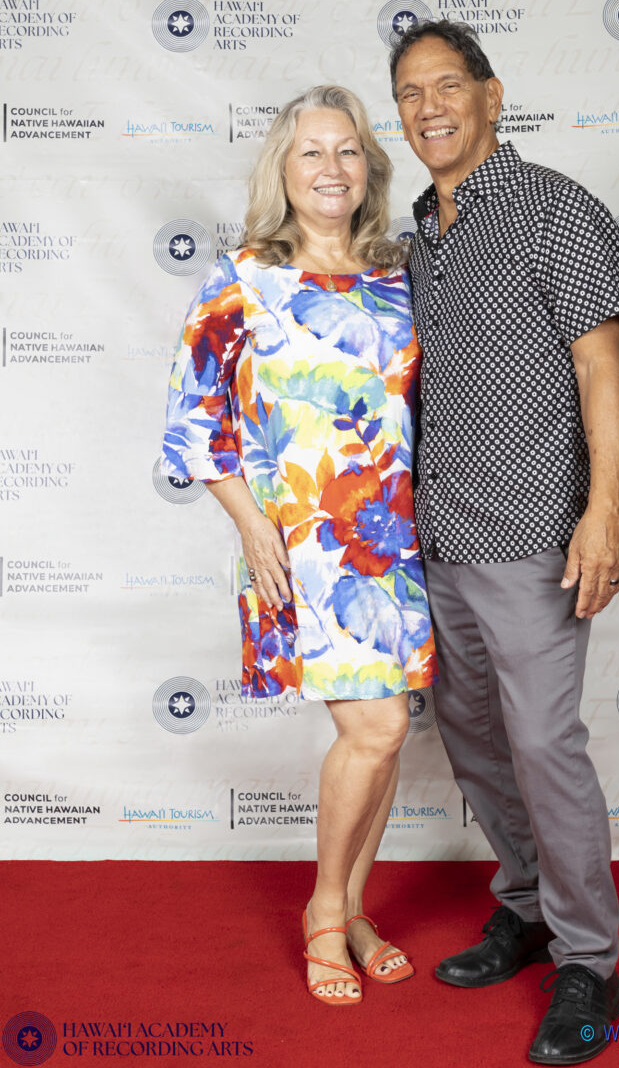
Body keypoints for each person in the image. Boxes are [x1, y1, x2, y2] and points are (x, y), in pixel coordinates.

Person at [162, 85, 437, 1006]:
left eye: (348, 149)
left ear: (370, 168)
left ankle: (354, 910)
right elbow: (194, 424)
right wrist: (251, 525)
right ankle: (324, 911)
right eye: (312, 151)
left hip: (395, 539)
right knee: (379, 726)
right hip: (302, 541)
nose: (332, 167)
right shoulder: (243, 276)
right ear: (283, 170)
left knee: (385, 737)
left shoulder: (400, 275)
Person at [389, 20, 619, 1064]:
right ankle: (526, 904)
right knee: (476, 741)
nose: (429, 108)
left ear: (493, 96)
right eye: (410, 94)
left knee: (542, 744)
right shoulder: (417, 234)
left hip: (534, 535)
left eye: (448, 85)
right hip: (439, 535)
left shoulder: (555, 210)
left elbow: (599, 368)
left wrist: (606, 512)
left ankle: (590, 964)